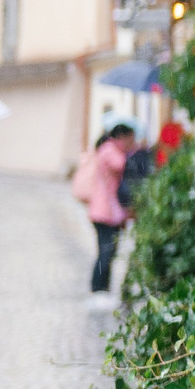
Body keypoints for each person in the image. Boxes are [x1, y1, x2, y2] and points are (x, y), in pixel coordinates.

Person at [71, 122, 138, 299]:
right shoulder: (110, 150)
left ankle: (102, 287)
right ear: (122, 137)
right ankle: (98, 287)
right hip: (103, 211)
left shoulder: (111, 150)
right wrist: (131, 151)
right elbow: (120, 165)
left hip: (109, 211)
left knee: (109, 249)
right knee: (106, 250)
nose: (133, 142)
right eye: (130, 138)